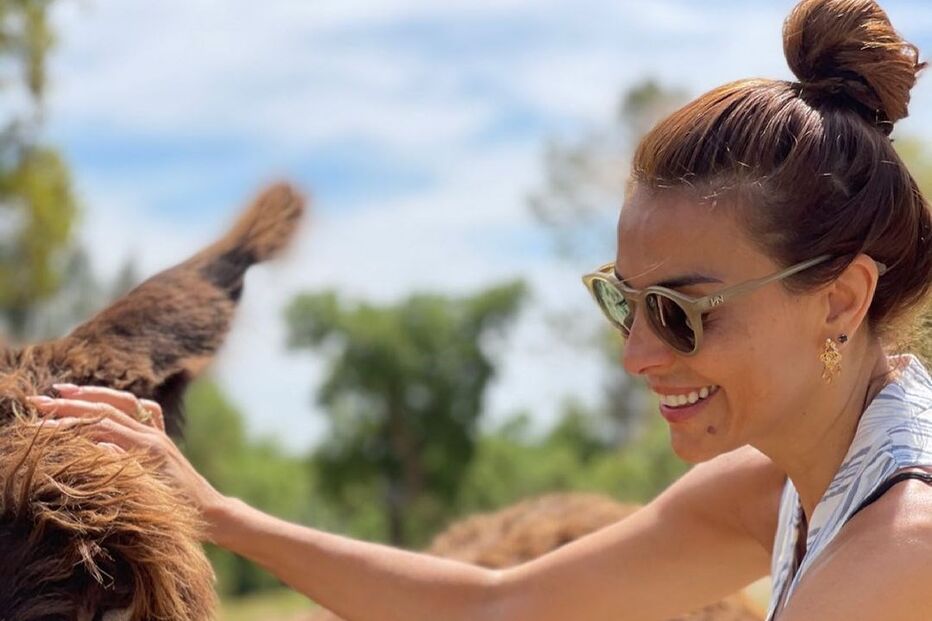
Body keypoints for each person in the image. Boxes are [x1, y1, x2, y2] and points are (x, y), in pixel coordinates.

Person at [29, 0, 932, 618]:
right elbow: (500, 603)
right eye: (624, 302)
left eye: (681, 311)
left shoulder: (897, 554)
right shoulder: (788, 483)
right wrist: (219, 513)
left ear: (841, 298)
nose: (636, 354)